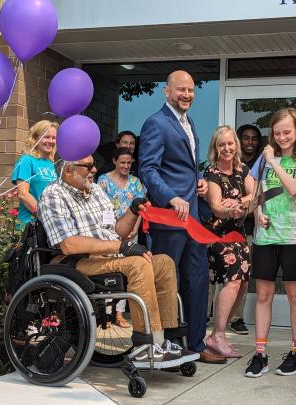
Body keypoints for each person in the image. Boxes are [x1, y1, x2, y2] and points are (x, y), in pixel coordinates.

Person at [38, 153, 199, 368]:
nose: (94, 170)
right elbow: (69, 244)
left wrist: (133, 211)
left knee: (164, 263)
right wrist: (123, 248)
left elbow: (116, 232)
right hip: (76, 262)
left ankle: (166, 339)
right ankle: (145, 345)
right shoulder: (53, 195)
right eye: (88, 166)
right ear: (68, 170)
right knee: (138, 263)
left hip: (109, 258)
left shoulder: (96, 191)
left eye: (94, 164)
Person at [139, 70, 225, 364]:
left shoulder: (190, 123)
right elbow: (148, 170)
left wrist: (199, 181)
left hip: (192, 220)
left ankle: (197, 343)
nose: (187, 95)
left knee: (198, 280)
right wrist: (171, 197)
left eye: (190, 90)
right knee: (167, 283)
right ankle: (170, 345)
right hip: (169, 218)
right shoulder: (156, 123)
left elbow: (185, 168)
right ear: (167, 92)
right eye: (181, 90)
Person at [244, 108, 296, 378]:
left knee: (295, 295)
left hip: (295, 236)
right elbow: (252, 187)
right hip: (266, 237)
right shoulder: (263, 162)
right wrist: (257, 211)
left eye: (287, 132)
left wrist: (274, 162)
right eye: (277, 133)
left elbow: (295, 188)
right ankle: (260, 353)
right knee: (263, 295)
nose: (282, 137)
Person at [203, 125, 253, 357]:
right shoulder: (212, 173)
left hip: (238, 234)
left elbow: (255, 194)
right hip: (219, 235)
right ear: (215, 147)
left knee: (242, 283)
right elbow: (215, 207)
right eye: (221, 144)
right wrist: (228, 210)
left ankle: (218, 333)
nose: (226, 148)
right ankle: (218, 335)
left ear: (236, 145)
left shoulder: (243, 170)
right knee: (232, 281)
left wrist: (240, 202)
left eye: (230, 143)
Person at [97, 147, 148, 328]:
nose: (126, 166)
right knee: (109, 271)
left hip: (130, 233)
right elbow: (99, 207)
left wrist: (135, 228)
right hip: (108, 233)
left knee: (125, 273)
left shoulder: (136, 182)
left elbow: (141, 208)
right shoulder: (103, 181)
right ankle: (107, 314)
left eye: (129, 163)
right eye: (122, 163)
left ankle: (119, 313)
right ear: (114, 162)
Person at [229, 124, 264, 335]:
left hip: (249, 229)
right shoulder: (230, 164)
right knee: (214, 274)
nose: (250, 142)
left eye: (254, 138)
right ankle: (206, 315)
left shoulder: (261, 166)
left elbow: (260, 198)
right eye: (246, 138)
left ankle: (236, 317)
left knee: (242, 274)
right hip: (222, 228)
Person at [12, 120, 59, 232]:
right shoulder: (26, 161)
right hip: (29, 224)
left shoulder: (50, 164)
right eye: (46, 137)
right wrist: (46, 216)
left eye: (54, 138)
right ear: (35, 138)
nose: (51, 141)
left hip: (47, 225)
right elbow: (23, 194)